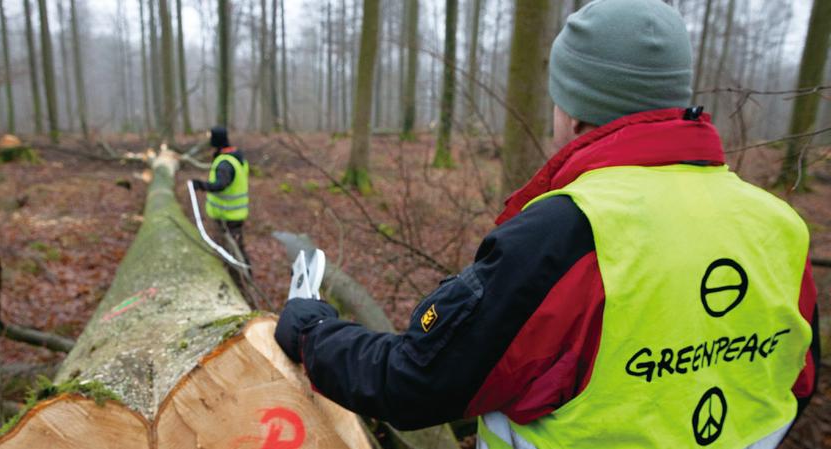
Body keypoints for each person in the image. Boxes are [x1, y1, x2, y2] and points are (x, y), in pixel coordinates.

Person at [274, 0, 819, 447]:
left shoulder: (569, 232)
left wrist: (313, 331)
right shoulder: (780, 225)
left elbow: (416, 383)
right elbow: (796, 382)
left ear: (575, 109)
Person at [192, 126, 251, 269]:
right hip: (235, 214)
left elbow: (221, 184)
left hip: (227, 216)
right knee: (235, 247)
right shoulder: (237, 156)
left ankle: (239, 277)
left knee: (231, 250)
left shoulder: (225, 164)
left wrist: (201, 185)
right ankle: (241, 272)